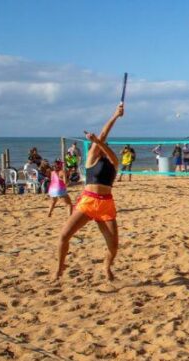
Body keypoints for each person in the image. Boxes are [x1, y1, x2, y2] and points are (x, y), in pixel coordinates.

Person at [55, 103, 123, 281]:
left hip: (106, 204)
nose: (98, 147)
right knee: (64, 236)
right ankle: (60, 267)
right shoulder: (91, 158)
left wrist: (99, 141)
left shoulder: (114, 162)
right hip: (88, 201)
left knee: (114, 246)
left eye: (101, 146)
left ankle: (107, 268)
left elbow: (103, 141)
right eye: (97, 146)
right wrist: (115, 115)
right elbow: (102, 134)